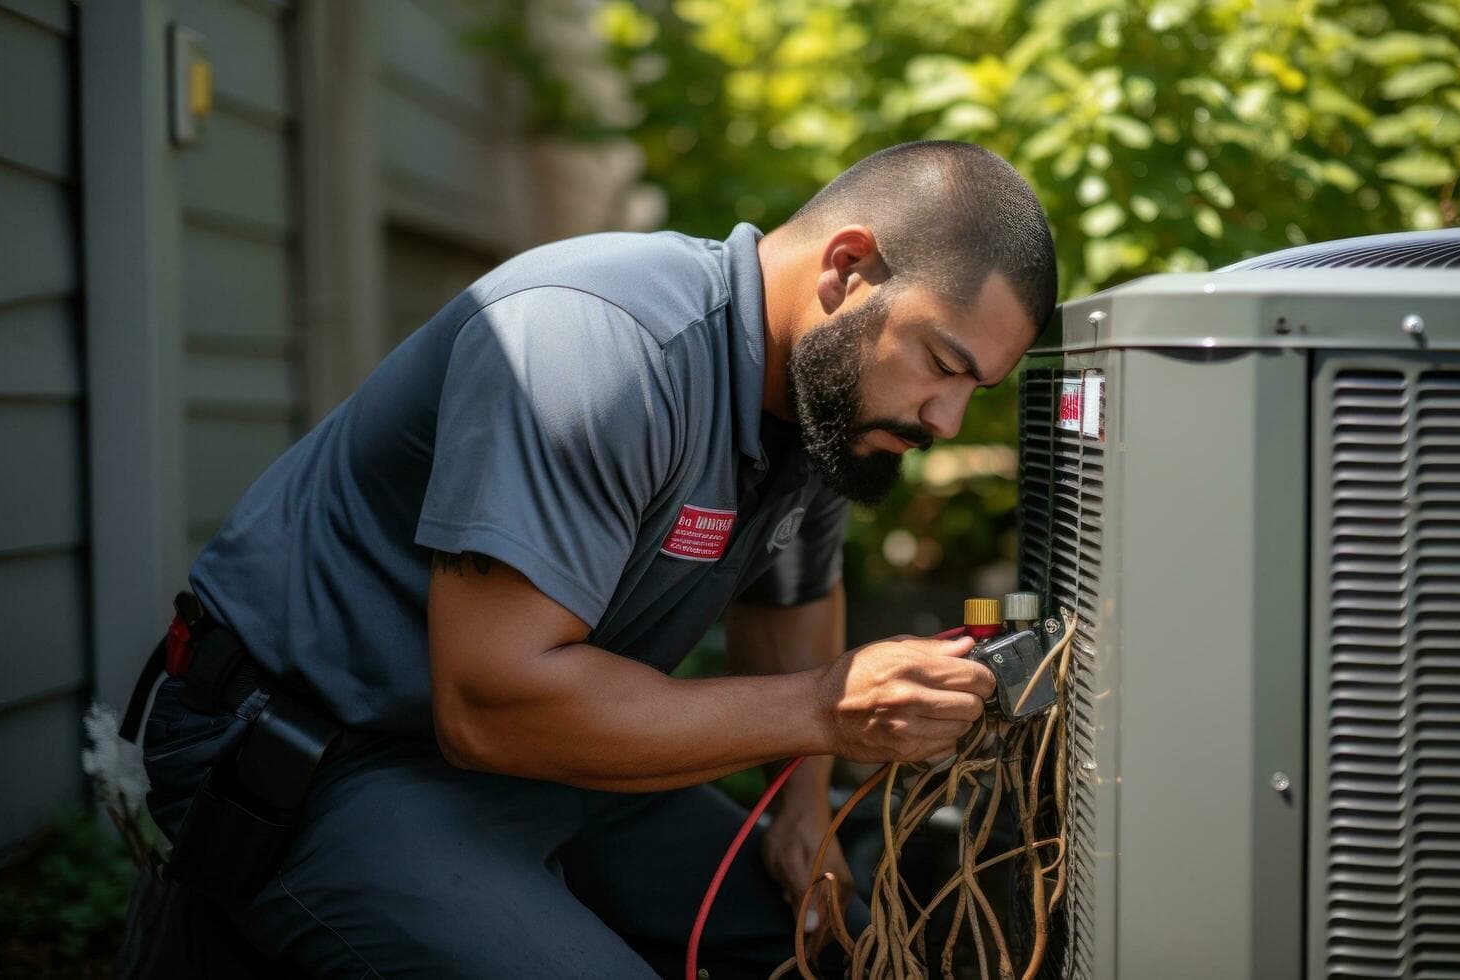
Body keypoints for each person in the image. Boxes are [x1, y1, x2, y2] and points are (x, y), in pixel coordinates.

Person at [136, 140, 1057, 978]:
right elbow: (491, 708)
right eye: (942, 363)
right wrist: (823, 710)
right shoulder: (598, 346)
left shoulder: (828, 399)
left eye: (974, 389)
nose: (945, 422)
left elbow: (790, 602)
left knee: (812, 956)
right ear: (847, 269)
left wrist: (803, 814)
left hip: (545, 754)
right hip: (324, 755)